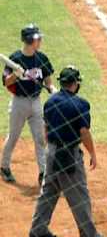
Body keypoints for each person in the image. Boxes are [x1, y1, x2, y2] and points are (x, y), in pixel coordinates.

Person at [30, 66, 102, 237]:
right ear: (76, 83)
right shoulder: (81, 104)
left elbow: (46, 129)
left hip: (51, 153)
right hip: (69, 155)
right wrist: (92, 153)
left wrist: (52, 149)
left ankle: (38, 230)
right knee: (79, 196)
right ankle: (89, 234)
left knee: (48, 192)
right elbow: (84, 132)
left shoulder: (50, 103)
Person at [1, 24, 55, 186]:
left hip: (36, 102)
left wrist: (53, 89)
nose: (40, 40)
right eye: (38, 38)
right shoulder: (15, 59)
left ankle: (43, 173)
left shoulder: (42, 58)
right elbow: (5, 82)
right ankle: (4, 166)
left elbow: (48, 81)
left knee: (40, 138)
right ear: (30, 40)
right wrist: (16, 75)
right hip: (19, 103)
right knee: (14, 136)